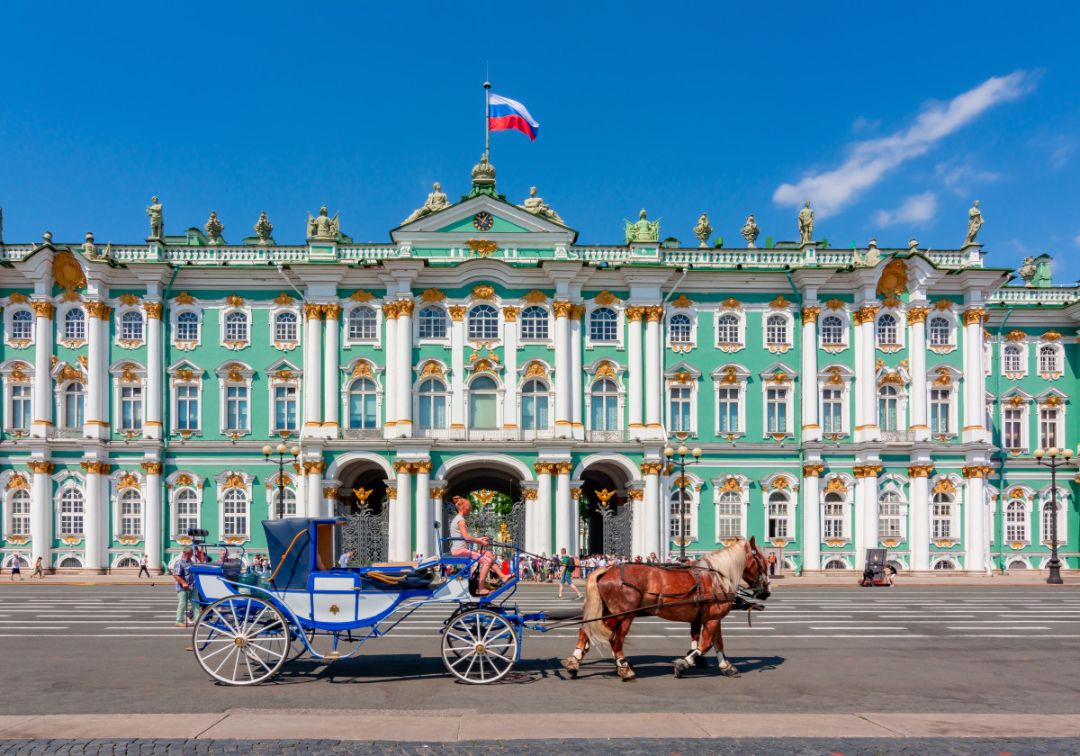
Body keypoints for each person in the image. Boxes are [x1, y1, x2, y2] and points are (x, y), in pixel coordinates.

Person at [447, 495, 500, 596]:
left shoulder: (459, 519)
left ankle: (502, 576)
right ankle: (481, 588)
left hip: (461, 549)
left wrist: (480, 539)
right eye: (469, 507)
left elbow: (465, 537)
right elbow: (467, 538)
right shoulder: (460, 520)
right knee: (486, 561)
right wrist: (480, 542)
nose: (470, 509)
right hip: (460, 551)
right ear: (463, 507)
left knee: (488, 553)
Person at [173, 547, 196, 627]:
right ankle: (179, 621)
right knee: (182, 603)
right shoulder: (179, 562)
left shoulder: (191, 562)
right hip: (182, 587)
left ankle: (197, 620)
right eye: (191, 553)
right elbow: (176, 575)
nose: (193, 555)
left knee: (196, 603)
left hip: (192, 586)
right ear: (187, 554)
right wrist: (183, 583)